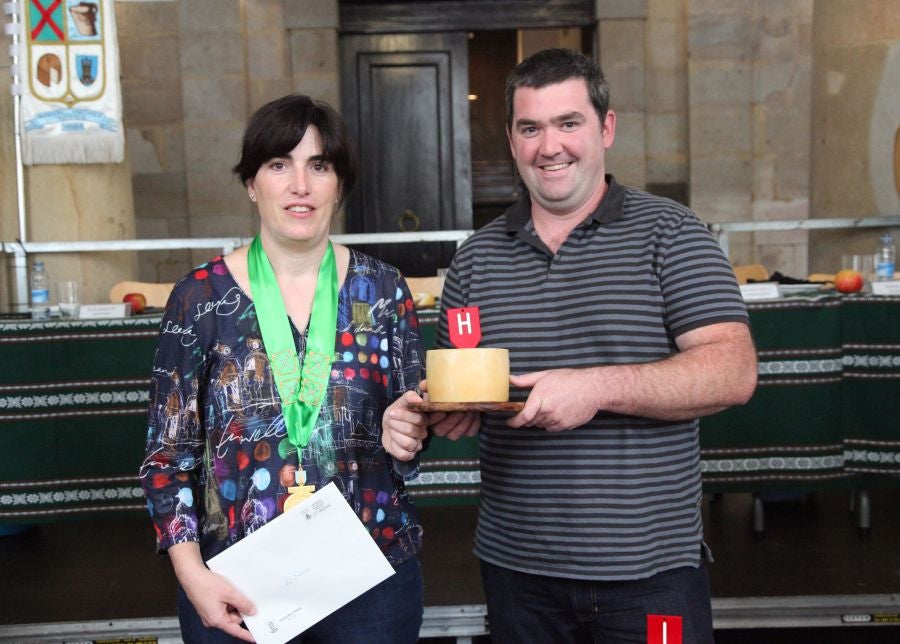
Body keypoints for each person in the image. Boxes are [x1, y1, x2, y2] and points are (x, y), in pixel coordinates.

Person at [432, 48, 758, 643]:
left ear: (605, 128)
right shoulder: (475, 260)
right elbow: (461, 386)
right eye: (530, 127)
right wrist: (443, 412)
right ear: (511, 139)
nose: (548, 146)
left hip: (651, 575)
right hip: (517, 573)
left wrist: (598, 386)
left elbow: (732, 370)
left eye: (568, 123)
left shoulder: (672, 233)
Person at [140, 94, 431, 643]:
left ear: (338, 184)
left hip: (370, 579)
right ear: (252, 182)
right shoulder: (198, 299)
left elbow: (413, 432)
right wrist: (192, 576)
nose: (301, 185)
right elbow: (166, 457)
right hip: (236, 584)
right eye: (280, 165)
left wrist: (410, 433)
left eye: (319, 166)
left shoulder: (385, 290)